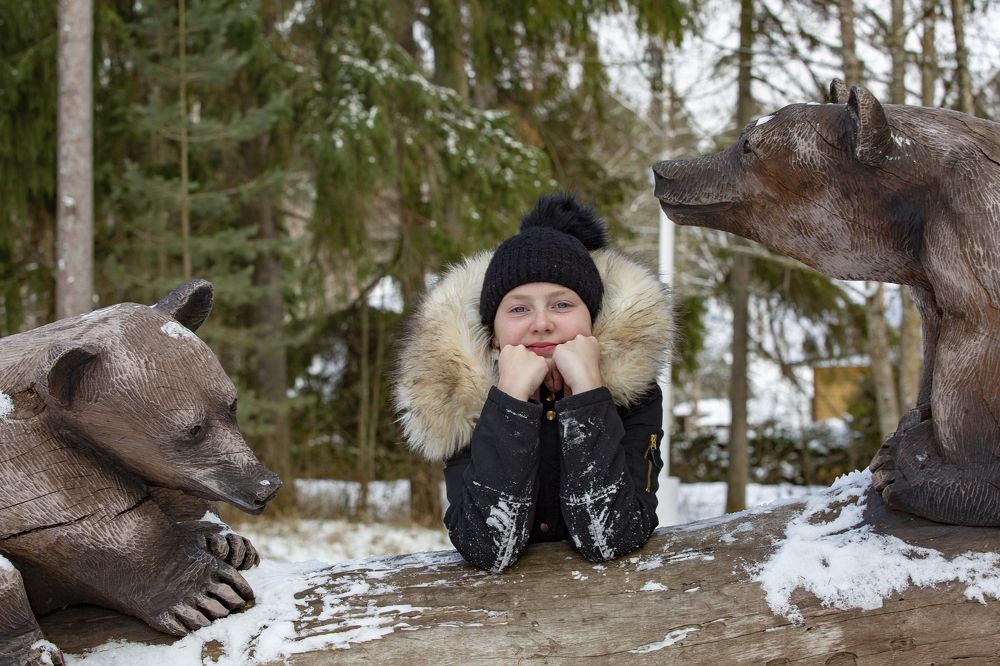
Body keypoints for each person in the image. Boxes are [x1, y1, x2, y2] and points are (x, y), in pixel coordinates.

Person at [394, 192, 673, 572]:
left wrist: (589, 393)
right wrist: (509, 400)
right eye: (519, 308)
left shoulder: (635, 394)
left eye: (562, 304)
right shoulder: (462, 398)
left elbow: (612, 538)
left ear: (592, 319)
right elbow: (487, 548)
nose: (541, 323)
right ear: (493, 334)